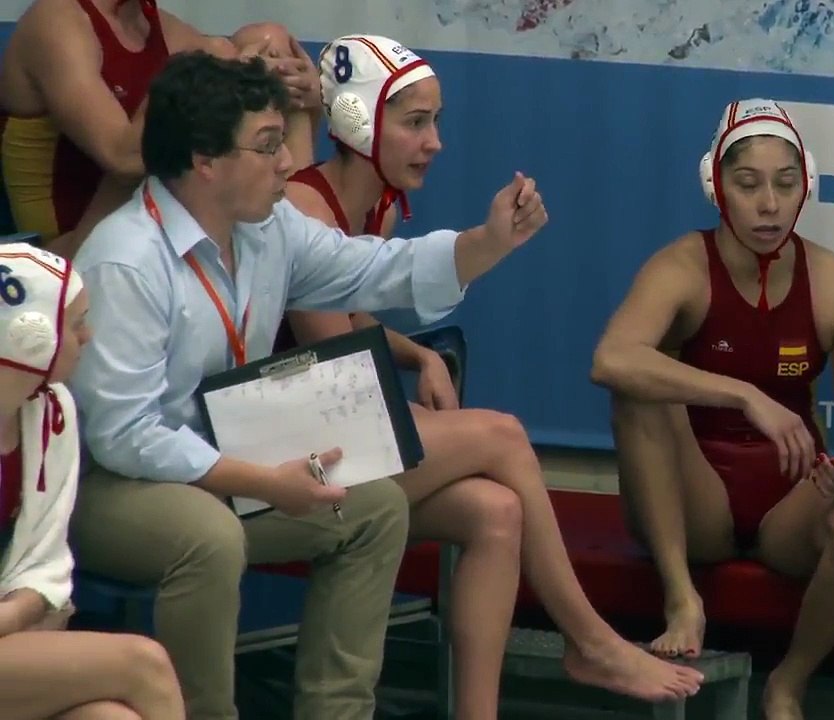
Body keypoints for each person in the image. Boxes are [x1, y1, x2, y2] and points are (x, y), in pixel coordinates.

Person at [63, 50, 546, 720]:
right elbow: (123, 436)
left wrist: (487, 244)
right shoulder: (126, 260)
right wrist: (261, 482)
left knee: (375, 512)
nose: (289, 161)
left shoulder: (268, 227)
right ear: (205, 160)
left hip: (226, 466)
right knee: (209, 536)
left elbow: (374, 270)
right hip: (113, 487)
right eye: (267, 146)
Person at [279, 35, 705, 718]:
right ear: (357, 121)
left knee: (497, 512)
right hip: (283, 450)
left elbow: (350, 315)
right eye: (416, 122)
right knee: (503, 436)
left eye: (437, 121)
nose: (436, 141)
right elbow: (338, 386)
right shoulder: (303, 208)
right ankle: (591, 641)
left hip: (328, 437)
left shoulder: (375, 205)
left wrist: (417, 357)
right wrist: (431, 419)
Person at [591, 98, 834, 719]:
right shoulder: (682, 267)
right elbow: (611, 359)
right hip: (692, 500)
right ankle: (682, 597)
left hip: (791, 500)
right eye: (748, 184)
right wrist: (744, 394)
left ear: (806, 187)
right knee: (640, 390)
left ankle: (789, 683)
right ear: (715, 186)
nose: (768, 204)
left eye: (785, 185)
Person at [0, 243, 185, 719]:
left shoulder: (52, 411)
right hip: (14, 633)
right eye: (76, 322)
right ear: (27, 336)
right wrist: (23, 615)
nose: (90, 335)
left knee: (112, 718)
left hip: (15, 633)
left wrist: (23, 611)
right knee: (145, 664)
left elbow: (45, 560)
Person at [0, 0, 322, 257]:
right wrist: (223, 79)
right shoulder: (56, 21)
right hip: (75, 246)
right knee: (213, 78)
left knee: (268, 39)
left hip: (157, 221)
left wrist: (304, 95)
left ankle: (301, 246)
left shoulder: (155, 25)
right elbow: (123, 158)